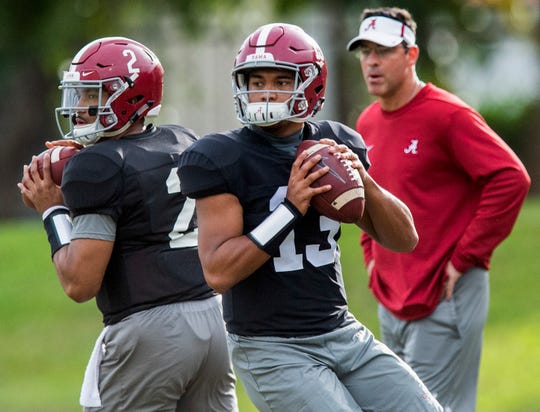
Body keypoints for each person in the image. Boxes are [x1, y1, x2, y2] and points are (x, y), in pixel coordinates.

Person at [178, 23, 443, 412]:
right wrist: (290, 208)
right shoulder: (221, 156)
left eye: (281, 80)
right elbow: (218, 272)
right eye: (255, 80)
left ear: (311, 85)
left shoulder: (337, 142)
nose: (265, 91)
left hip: (342, 332)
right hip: (271, 347)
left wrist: (363, 180)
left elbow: (404, 239)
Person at [18, 37, 238, 412]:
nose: (79, 109)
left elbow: (79, 282)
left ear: (129, 97)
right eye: (79, 94)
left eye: (92, 95)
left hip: (150, 330)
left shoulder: (97, 167)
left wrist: (51, 210)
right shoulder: (182, 140)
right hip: (213, 321)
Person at [346, 7, 531, 412]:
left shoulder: (448, 115)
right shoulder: (367, 122)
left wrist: (466, 257)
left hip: (445, 295)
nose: (372, 62)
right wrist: (370, 255)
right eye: (365, 52)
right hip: (392, 296)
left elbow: (511, 178)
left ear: (411, 55)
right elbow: (368, 195)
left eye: (384, 51)